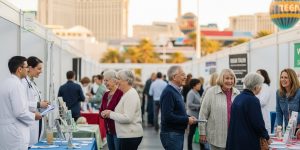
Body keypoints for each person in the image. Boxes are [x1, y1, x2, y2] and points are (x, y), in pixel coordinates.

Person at [0, 56, 42, 149]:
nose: (28, 69)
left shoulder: (5, 83)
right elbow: (20, 112)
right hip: (16, 134)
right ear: (19, 69)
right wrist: (34, 116)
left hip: (6, 133)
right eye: (26, 67)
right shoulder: (17, 85)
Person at [101, 70, 143, 150]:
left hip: (130, 135)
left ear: (127, 81)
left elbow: (128, 118)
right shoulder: (126, 93)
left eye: (118, 79)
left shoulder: (131, 95)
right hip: (127, 135)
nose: (116, 81)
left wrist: (110, 114)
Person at [226, 73, 270, 150]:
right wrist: (266, 136)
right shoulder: (253, 100)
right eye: (260, 86)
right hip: (247, 141)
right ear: (256, 87)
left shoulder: (238, 98)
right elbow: (258, 123)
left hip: (234, 140)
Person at [199, 69, 239, 150]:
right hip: (217, 137)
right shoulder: (211, 92)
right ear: (221, 79)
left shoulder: (237, 93)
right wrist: (202, 132)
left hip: (234, 135)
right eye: (227, 78)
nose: (230, 81)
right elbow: (203, 114)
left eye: (232, 78)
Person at [160, 66, 197, 150]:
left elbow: (177, 112)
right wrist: (187, 120)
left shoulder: (175, 91)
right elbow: (168, 116)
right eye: (183, 75)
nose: (185, 77)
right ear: (174, 77)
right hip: (172, 134)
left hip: (175, 133)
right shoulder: (169, 92)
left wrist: (188, 117)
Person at [23, 56, 49, 146]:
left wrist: (43, 104)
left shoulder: (32, 82)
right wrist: (39, 104)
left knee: (36, 143)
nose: (41, 71)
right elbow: (22, 103)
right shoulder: (23, 83)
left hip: (37, 120)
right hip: (30, 121)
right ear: (30, 68)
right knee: (31, 145)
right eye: (39, 69)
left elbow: (34, 100)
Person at [99, 70, 123, 150]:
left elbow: (121, 112)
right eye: (104, 80)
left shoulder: (120, 93)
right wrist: (102, 114)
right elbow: (101, 110)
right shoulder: (106, 94)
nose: (105, 83)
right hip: (108, 130)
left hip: (118, 130)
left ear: (114, 80)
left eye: (106, 80)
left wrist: (109, 113)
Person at [186, 79, 204, 150]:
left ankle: (202, 147)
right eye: (198, 84)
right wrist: (199, 106)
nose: (200, 85)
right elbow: (189, 104)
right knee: (191, 133)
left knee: (200, 132)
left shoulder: (197, 93)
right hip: (192, 116)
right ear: (194, 86)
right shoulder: (191, 93)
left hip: (197, 116)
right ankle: (189, 148)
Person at [256, 69, 272, 133]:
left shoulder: (265, 86)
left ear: (264, 77)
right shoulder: (257, 86)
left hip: (263, 117)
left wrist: (251, 101)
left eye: (258, 75)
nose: (256, 76)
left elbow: (262, 102)